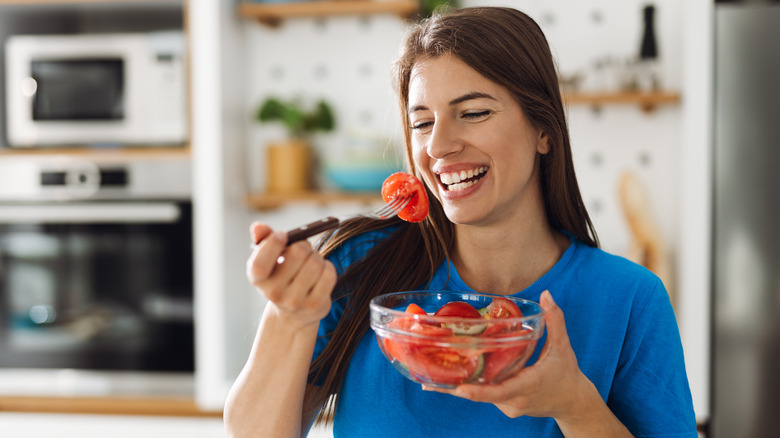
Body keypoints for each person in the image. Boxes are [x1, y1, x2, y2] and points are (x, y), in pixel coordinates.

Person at [224, 6, 697, 438]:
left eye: (472, 113)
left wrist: (575, 406)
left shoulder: (631, 299)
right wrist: (287, 318)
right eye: (422, 122)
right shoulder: (357, 267)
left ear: (544, 130)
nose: (438, 146)